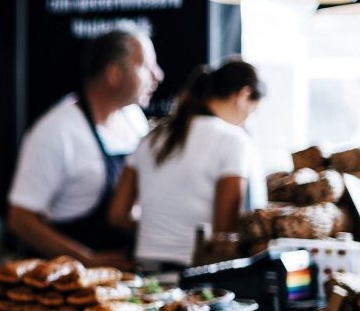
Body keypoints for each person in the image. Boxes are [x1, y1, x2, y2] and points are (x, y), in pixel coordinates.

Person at [7, 27, 164, 268]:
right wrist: (86, 260)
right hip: (65, 281)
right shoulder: (56, 131)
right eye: (145, 66)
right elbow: (20, 219)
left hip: (124, 275)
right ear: (114, 73)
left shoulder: (133, 118)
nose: (158, 75)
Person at [108, 59, 266, 269]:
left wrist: (159, 233)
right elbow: (224, 233)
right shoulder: (234, 140)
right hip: (198, 273)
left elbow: (117, 215)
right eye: (253, 111)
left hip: (146, 269)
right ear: (244, 95)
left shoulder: (152, 137)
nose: (248, 119)